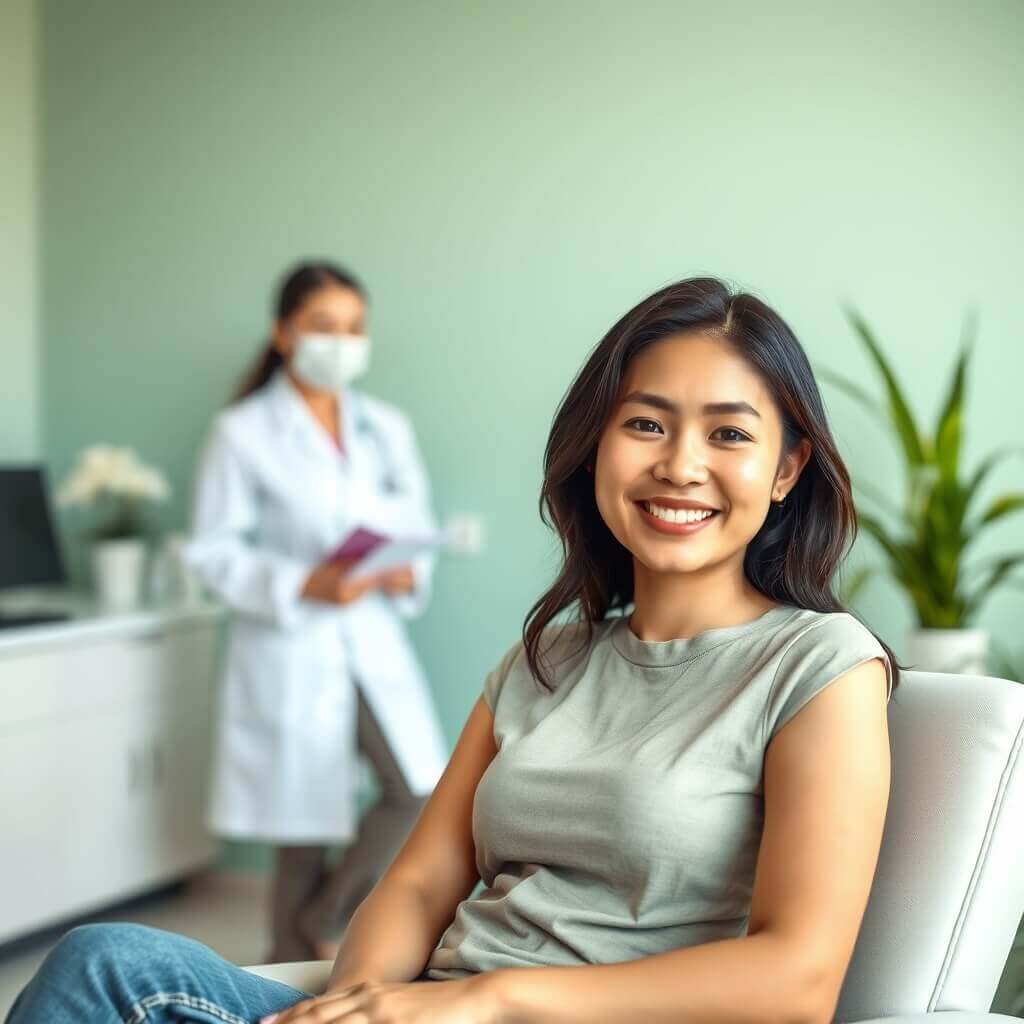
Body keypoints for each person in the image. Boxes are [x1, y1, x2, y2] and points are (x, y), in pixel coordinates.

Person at [6, 276, 900, 1024]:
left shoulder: (819, 666)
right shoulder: (545, 660)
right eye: (647, 424)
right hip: (434, 1011)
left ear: (786, 472)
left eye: (731, 434)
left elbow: (799, 980)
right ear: (597, 447)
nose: (681, 464)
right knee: (105, 961)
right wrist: (361, 1003)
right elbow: (420, 881)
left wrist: (496, 1000)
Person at [189, 260, 449, 963]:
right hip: (290, 644)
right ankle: (276, 985)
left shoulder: (386, 428)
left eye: (354, 327)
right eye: (323, 326)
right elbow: (212, 553)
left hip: (371, 636)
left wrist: (403, 569)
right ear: (282, 333)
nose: (341, 342)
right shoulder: (241, 432)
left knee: (419, 787)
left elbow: (417, 519)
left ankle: (327, 917)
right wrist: (307, 582)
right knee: (301, 830)